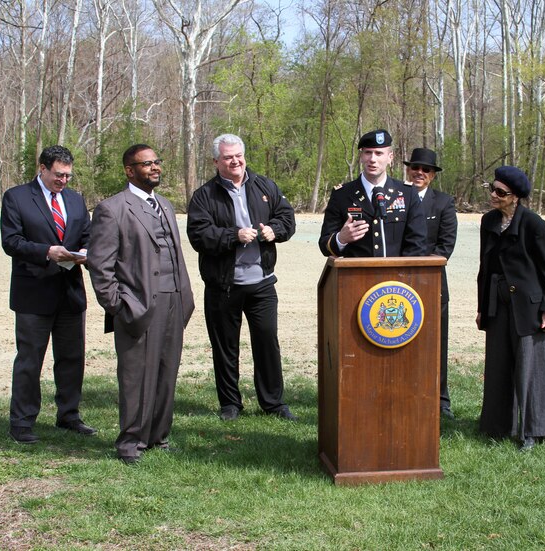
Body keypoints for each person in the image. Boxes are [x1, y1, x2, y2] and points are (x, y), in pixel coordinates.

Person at [87, 144, 195, 464]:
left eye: (157, 162)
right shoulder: (112, 208)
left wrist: (184, 296)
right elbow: (100, 265)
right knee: (136, 376)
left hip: (175, 300)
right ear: (129, 170)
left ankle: (158, 437)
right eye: (146, 164)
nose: (155, 168)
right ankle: (130, 442)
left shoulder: (165, 204)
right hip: (138, 305)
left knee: (166, 372)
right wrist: (119, 305)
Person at [187, 134, 297, 422]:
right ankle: (230, 404)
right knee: (225, 347)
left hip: (261, 283)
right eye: (227, 157)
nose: (234, 161)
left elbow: (287, 218)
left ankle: (273, 403)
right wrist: (233, 236)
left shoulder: (264, 186)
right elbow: (198, 236)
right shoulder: (204, 195)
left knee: (267, 343)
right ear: (216, 161)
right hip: (223, 286)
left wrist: (276, 229)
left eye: (238, 155)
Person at [0, 145, 96, 444]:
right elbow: (11, 242)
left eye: (68, 175)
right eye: (58, 174)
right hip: (33, 293)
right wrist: (46, 252)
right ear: (42, 168)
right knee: (30, 360)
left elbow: (88, 236)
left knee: (71, 358)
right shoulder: (16, 197)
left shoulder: (75, 200)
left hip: (70, 292)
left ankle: (69, 415)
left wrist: (84, 253)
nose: (63, 181)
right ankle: (22, 422)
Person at [476, 166, 545, 451]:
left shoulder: (534, 225)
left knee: (529, 368)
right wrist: (481, 306)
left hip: (528, 306)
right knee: (498, 364)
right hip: (496, 302)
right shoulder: (488, 221)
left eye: (501, 192)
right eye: (493, 188)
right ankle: (498, 426)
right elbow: (484, 267)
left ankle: (532, 431)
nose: (493, 195)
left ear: (516, 197)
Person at [404, 147, 457, 419]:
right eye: (415, 168)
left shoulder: (443, 203)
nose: (419, 173)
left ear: (433, 175)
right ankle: (407, 393)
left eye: (426, 170)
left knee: (437, 343)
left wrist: (420, 270)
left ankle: (440, 400)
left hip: (432, 284)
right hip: (399, 284)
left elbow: (445, 246)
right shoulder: (397, 198)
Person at [319, 129, 427, 257]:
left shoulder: (407, 193)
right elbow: (324, 246)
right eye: (368, 153)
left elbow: (417, 243)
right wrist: (341, 239)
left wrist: (399, 272)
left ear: (390, 157)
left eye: (379, 153)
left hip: (396, 275)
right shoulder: (342, 194)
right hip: (356, 275)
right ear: (361, 156)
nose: (372, 159)